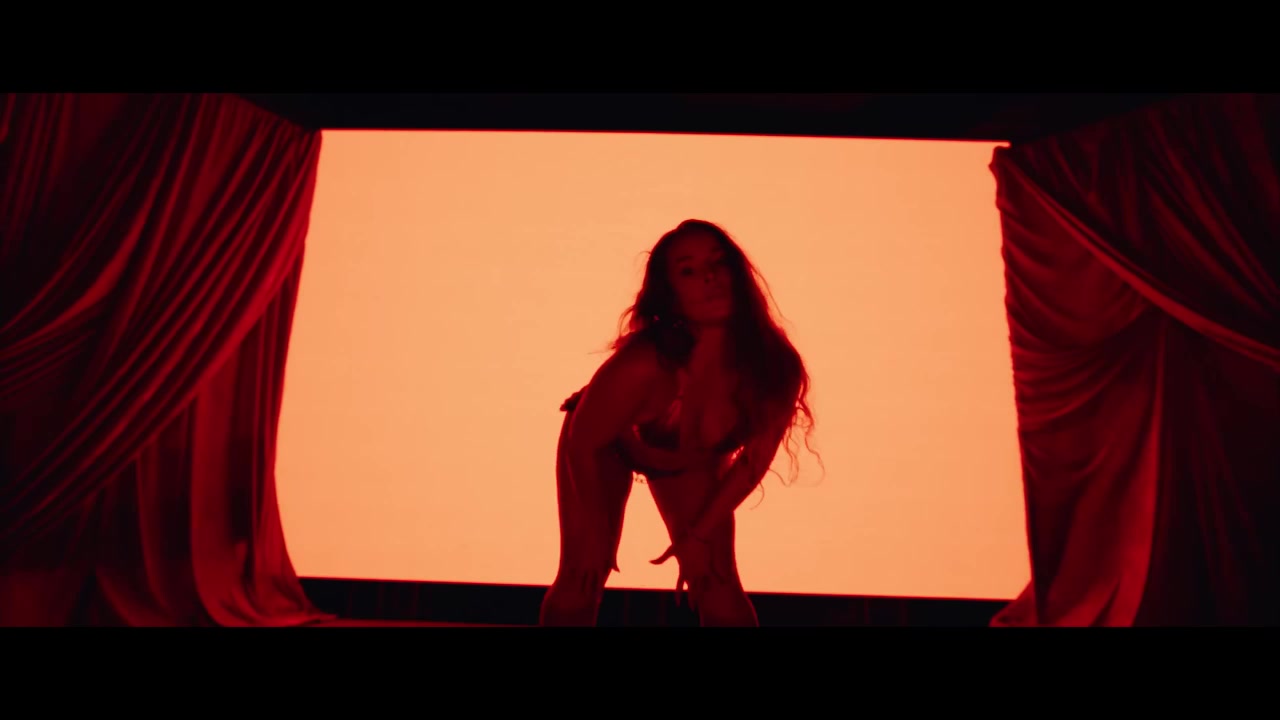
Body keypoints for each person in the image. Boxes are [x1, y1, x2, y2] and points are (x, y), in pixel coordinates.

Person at [539, 219, 816, 627]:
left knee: (716, 582)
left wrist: (698, 536)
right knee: (582, 574)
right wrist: (596, 530)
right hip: (604, 442)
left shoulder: (774, 365)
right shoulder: (642, 366)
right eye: (688, 271)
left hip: (687, 458)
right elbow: (583, 445)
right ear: (670, 294)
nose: (709, 278)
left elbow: (752, 463)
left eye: (718, 264)